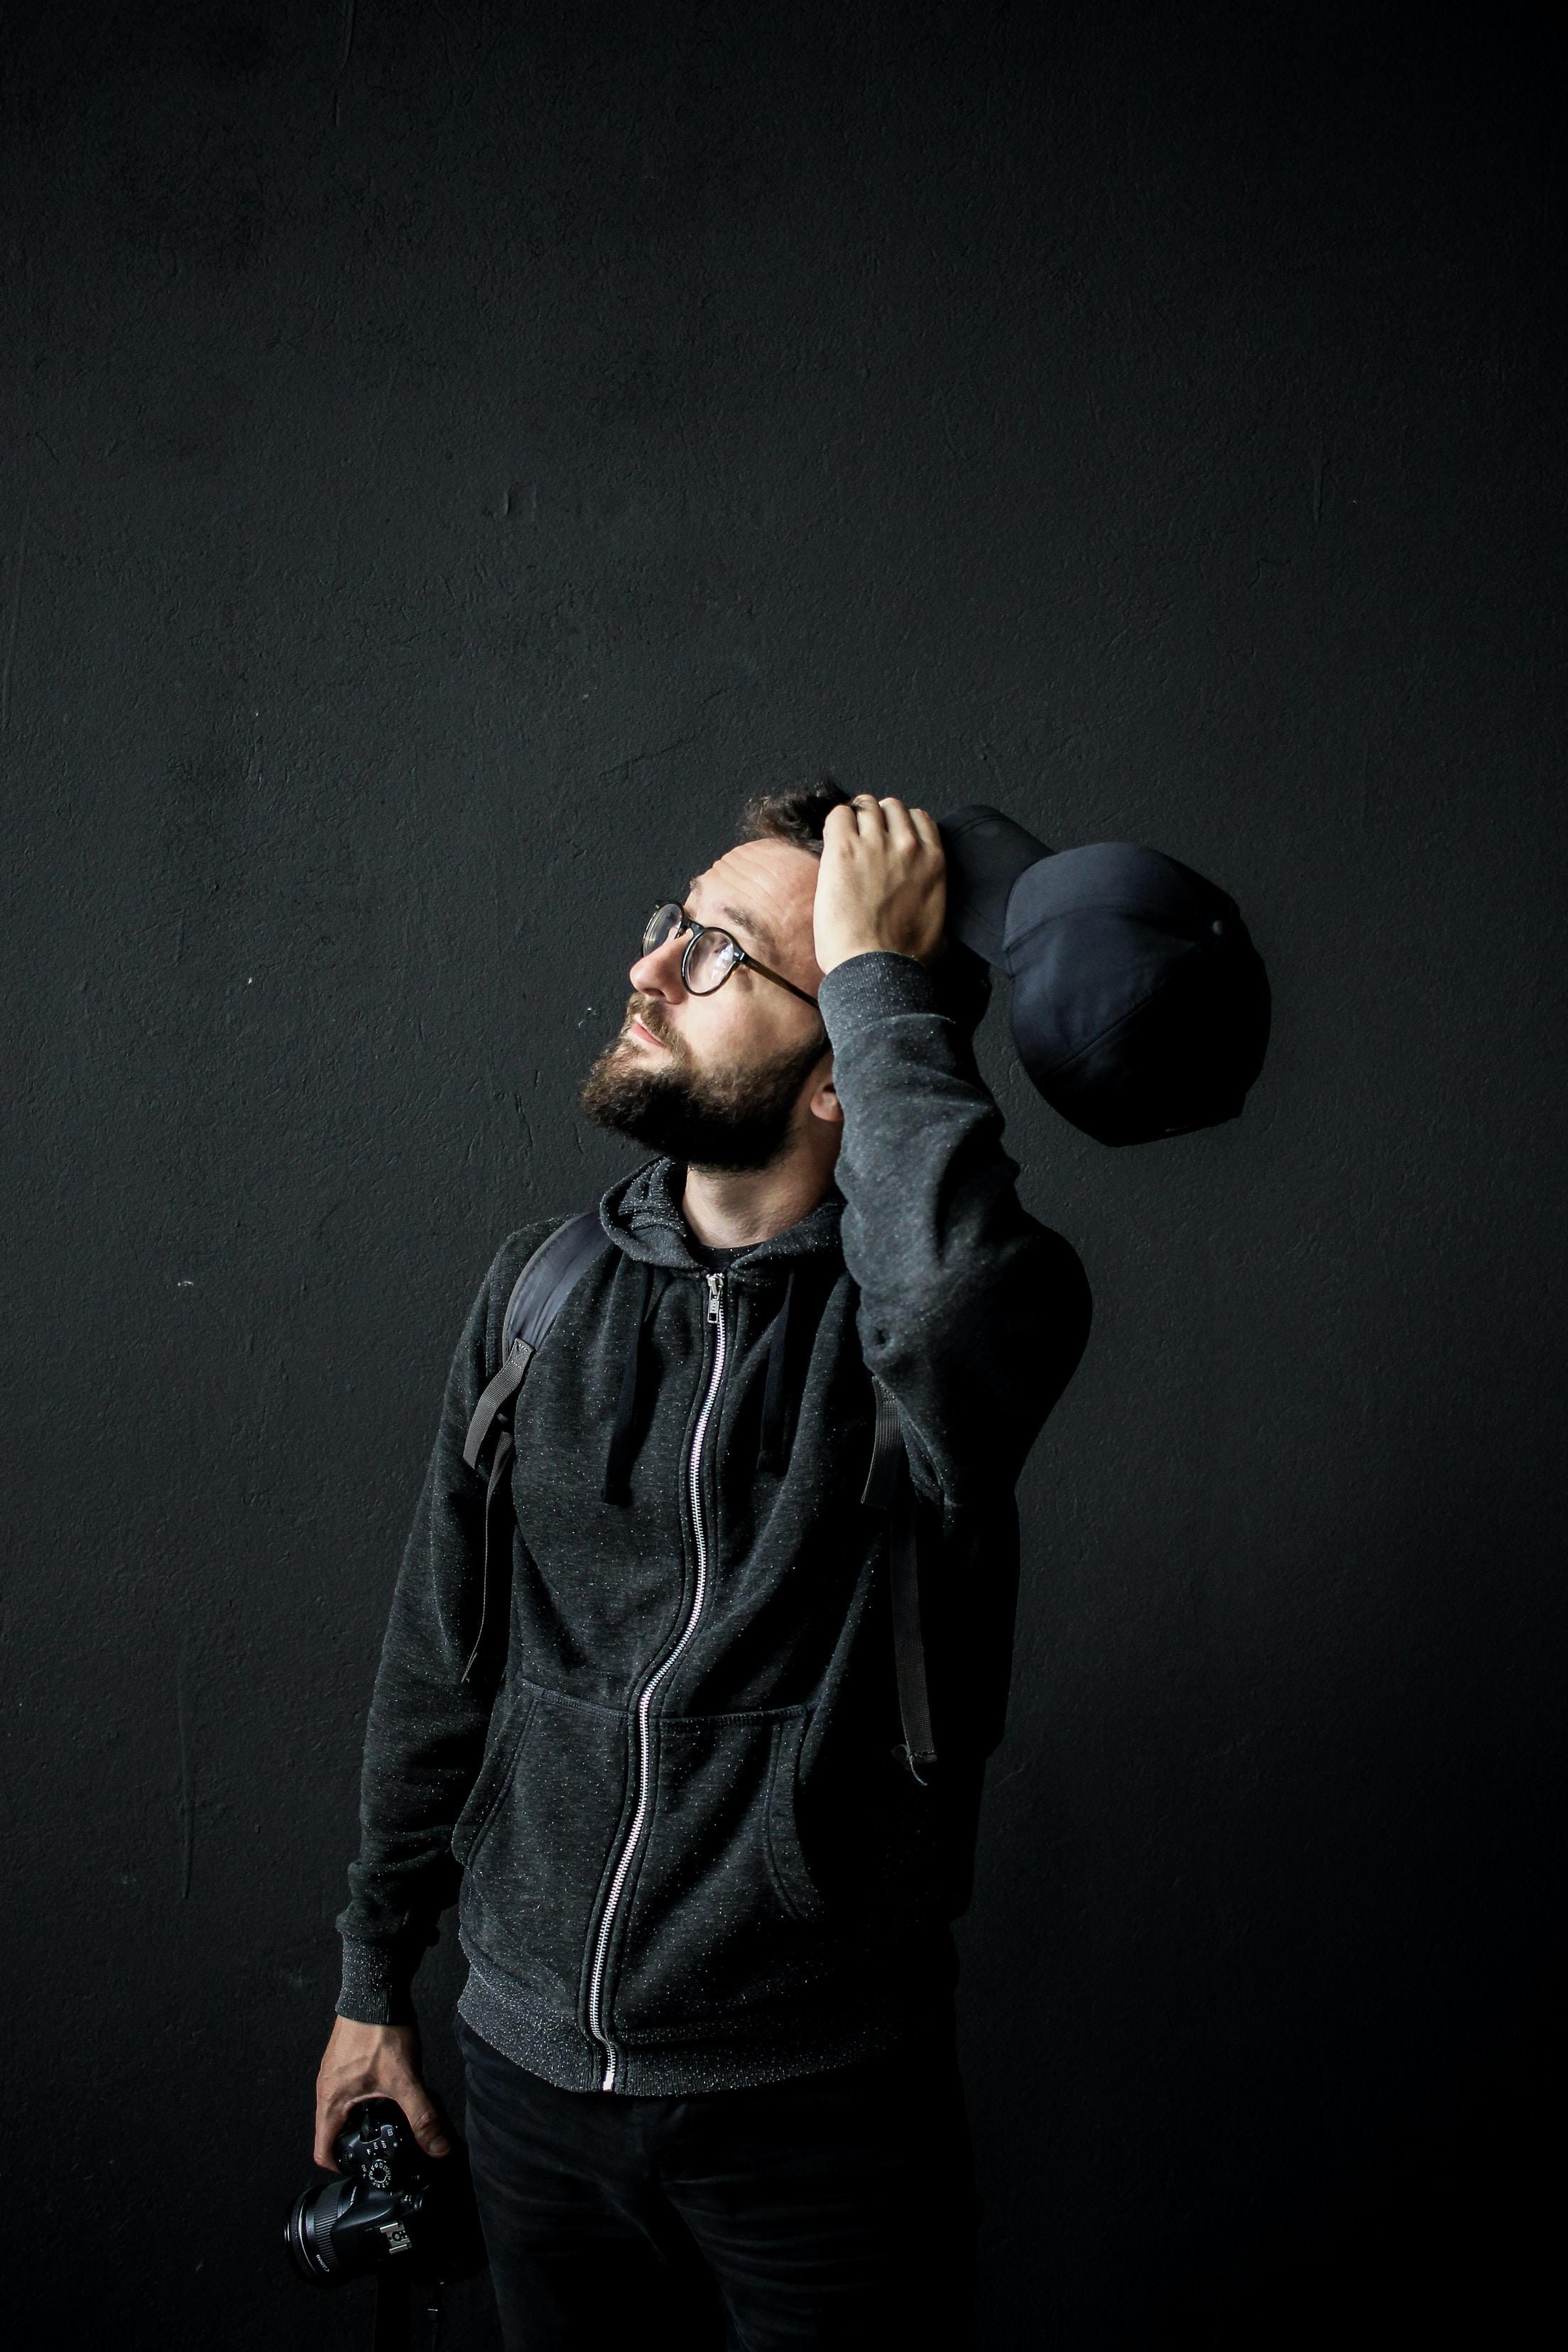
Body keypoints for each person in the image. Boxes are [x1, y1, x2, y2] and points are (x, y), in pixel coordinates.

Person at [314, 783, 1092, 2348]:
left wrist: (882, 979)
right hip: (527, 2081)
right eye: (673, 925)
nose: (651, 969)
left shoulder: (939, 1336)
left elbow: (947, 1305)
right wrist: (371, 1980)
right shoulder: (539, 1297)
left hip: (818, 2110)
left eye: (722, 954)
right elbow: (439, 1661)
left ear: (844, 1066)